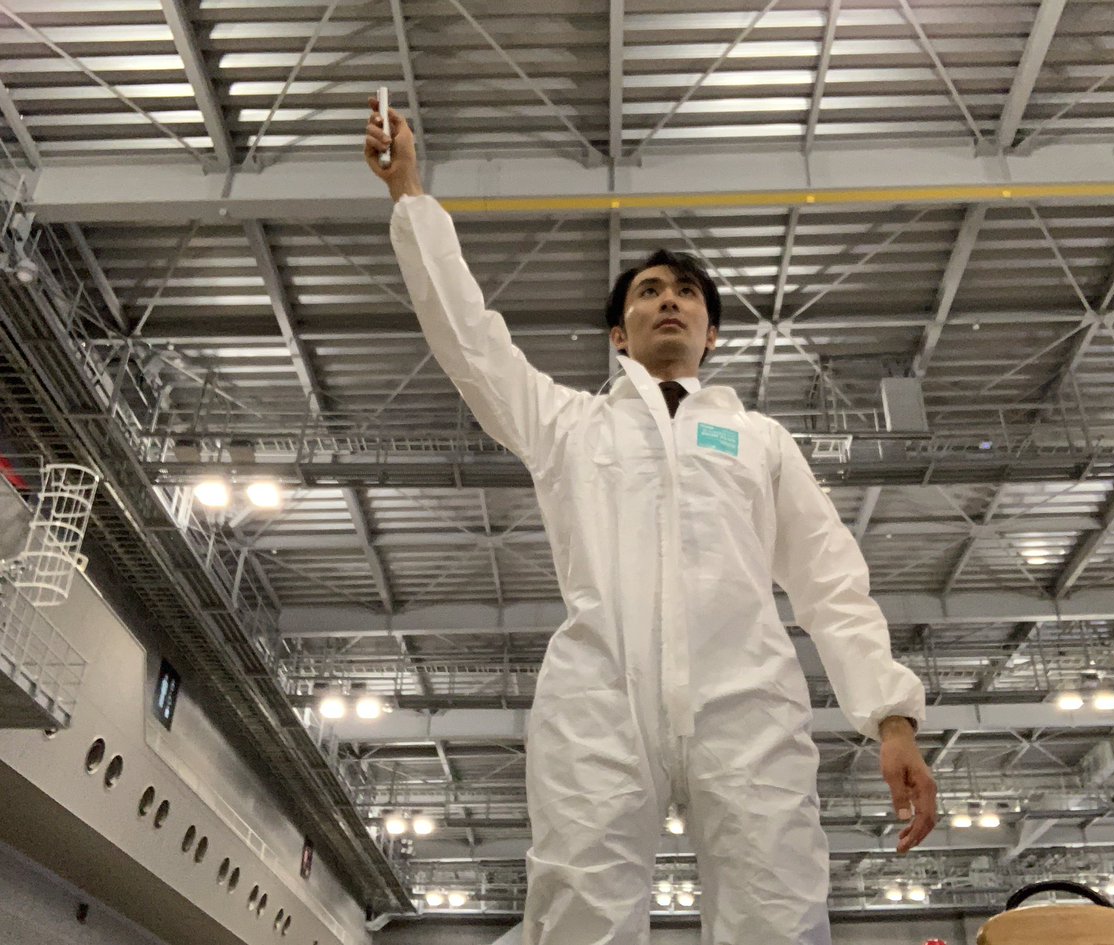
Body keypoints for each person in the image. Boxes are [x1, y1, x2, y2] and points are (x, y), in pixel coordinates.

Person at [364, 99, 937, 945]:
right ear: (619, 334)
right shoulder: (567, 424)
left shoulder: (760, 440)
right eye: (649, 292)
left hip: (747, 701)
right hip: (600, 697)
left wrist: (890, 714)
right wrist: (410, 195)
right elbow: (471, 341)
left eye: (687, 293)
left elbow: (829, 578)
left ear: (711, 333)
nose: (670, 300)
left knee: (779, 916)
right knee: (578, 918)